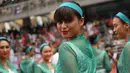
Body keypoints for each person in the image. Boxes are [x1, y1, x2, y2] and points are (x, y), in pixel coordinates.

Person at [54, 1, 96, 73]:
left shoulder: (66, 47)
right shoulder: (85, 42)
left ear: (81, 21)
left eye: (68, 21)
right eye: (59, 22)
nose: (63, 26)